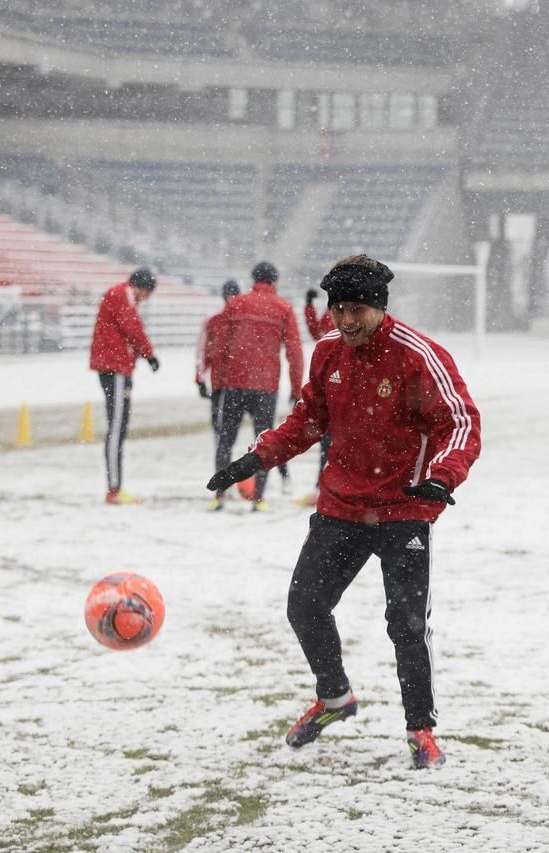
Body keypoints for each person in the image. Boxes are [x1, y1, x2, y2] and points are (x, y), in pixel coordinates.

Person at [206, 254, 481, 769]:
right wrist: (256, 456)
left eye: (358, 309)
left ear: (380, 307)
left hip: (405, 507)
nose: (346, 321)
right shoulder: (329, 352)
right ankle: (335, 698)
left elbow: (461, 423)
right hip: (342, 505)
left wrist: (442, 476)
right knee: (304, 608)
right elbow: (310, 418)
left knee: (405, 624)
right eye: (338, 309)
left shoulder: (419, 355)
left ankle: (419, 730)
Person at [205, 261, 303, 510]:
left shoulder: (236, 304)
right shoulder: (283, 308)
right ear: (274, 282)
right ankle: (258, 498)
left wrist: (217, 386)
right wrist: (296, 388)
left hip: (234, 383)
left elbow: (219, 348)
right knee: (263, 443)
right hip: (265, 386)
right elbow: (294, 351)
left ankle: (219, 495)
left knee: (225, 440)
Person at [89, 267, 159, 505]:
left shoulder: (119, 295)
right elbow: (132, 327)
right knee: (117, 427)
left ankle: (115, 487)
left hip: (118, 367)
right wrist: (149, 354)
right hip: (115, 368)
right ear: (141, 287)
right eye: (146, 294)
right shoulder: (123, 294)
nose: (144, 300)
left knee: (119, 426)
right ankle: (113, 489)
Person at [297, 283, 337, 506]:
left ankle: (327, 488)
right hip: (329, 385)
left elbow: (318, 333)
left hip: (340, 386)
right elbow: (318, 333)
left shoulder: (351, 314)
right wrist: (309, 307)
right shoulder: (333, 313)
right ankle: (322, 487)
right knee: (327, 441)